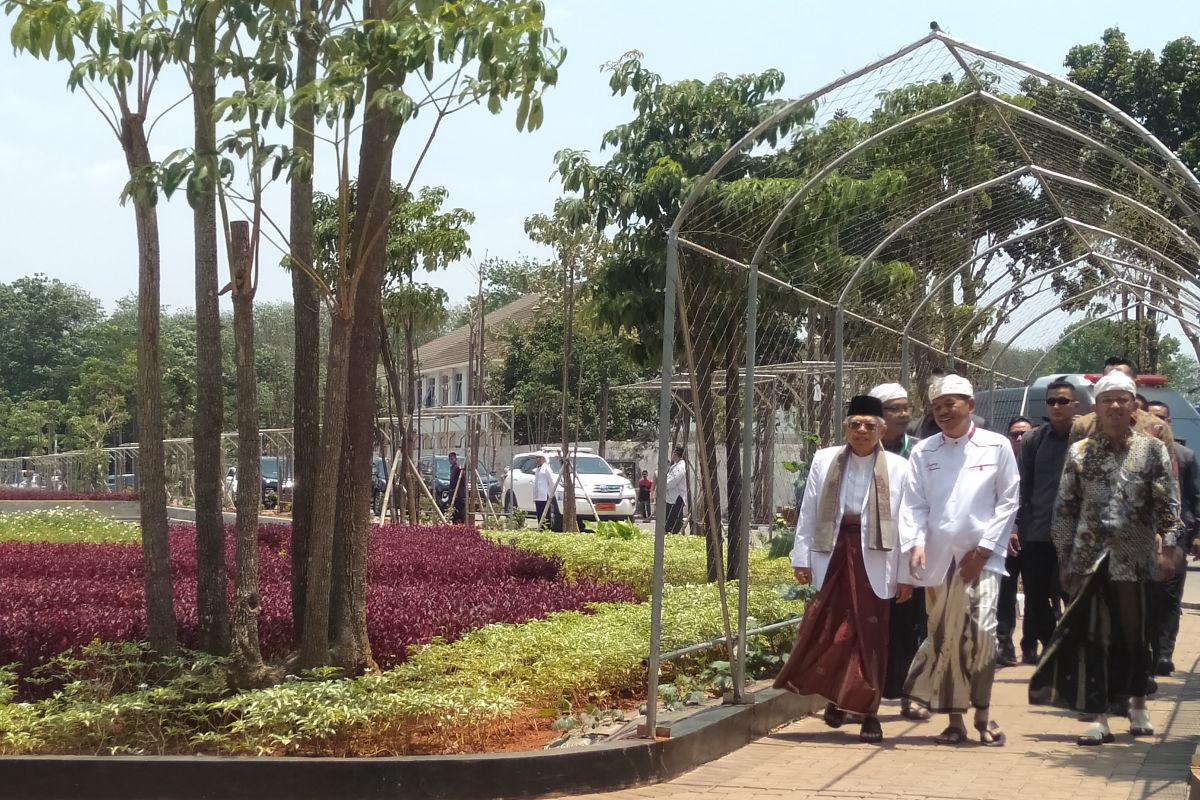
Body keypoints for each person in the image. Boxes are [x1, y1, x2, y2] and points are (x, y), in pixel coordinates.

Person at [1030, 371, 1180, 745]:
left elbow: (1168, 505)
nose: (1115, 405)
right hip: (1089, 559)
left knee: (1134, 634)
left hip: (1136, 556)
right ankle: (1097, 716)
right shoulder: (1080, 452)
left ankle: (1139, 704)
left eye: (1122, 399)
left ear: (1133, 406)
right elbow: (1065, 508)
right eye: (1107, 399)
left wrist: (1170, 548)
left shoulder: (1152, 449)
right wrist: (1065, 559)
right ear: (1095, 407)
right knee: (1094, 637)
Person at [774, 395, 913, 744]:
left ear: (881, 430)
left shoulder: (898, 467)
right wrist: (801, 557)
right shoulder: (825, 460)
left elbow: (908, 523)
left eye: (869, 425)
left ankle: (869, 712)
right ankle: (839, 697)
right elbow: (809, 509)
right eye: (855, 424)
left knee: (870, 637)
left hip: (877, 560)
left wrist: (907, 575)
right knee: (832, 632)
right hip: (832, 552)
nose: (862, 431)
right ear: (845, 428)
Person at [898, 375, 1020, 747]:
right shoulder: (924, 452)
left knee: (982, 635)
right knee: (945, 638)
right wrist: (916, 543)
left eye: (952, 403)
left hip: (982, 559)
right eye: (938, 407)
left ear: (971, 405)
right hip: (937, 559)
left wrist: (982, 551)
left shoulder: (996, 446)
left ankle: (982, 714)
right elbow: (914, 504)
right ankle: (955, 721)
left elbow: (1008, 501)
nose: (945, 412)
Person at [869, 382, 928, 721]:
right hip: (869, 556)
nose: (903, 414)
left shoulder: (919, 452)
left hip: (910, 554)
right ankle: (864, 693)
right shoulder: (858, 447)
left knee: (911, 626)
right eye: (894, 408)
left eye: (906, 407)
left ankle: (910, 693)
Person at [1012, 379, 1078, 665]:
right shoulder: (1033, 440)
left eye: (1063, 401)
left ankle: (1073, 650)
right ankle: (1053, 646)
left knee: (1074, 596)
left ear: (1075, 405)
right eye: (1051, 401)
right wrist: (1015, 526)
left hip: (1078, 535)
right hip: (1038, 531)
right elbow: (1022, 486)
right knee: (1037, 597)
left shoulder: (1086, 438)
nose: (1056, 406)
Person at [1145, 400, 1199, 676]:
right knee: (1144, 598)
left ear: (1170, 421)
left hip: (1175, 537)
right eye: (1150, 418)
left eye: (1161, 418)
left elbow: (1194, 497)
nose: (1156, 423)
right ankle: (1148, 652)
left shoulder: (1185, 456)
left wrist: (1197, 535)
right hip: (1140, 539)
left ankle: (1164, 652)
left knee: (1168, 597)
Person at [995, 416, 1034, 667]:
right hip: (1006, 538)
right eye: (1014, 434)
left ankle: (1030, 646)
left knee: (1036, 594)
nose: (1019, 439)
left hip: (1036, 538)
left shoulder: (1039, 460)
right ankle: (1005, 645)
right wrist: (1010, 529)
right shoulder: (1000, 461)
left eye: (1024, 434)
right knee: (1005, 595)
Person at [1071, 357, 1174, 449]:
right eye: (1109, 377)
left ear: (1136, 384)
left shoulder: (1157, 427)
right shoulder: (1082, 426)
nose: (1115, 383)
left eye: (1122, 378)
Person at [665, 445, 689, 534]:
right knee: (669, 518)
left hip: (677, 497)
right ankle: (670, 533)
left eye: (673, 453)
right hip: (670, 497)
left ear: (676, 454)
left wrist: (663, 485)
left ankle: (676, 534)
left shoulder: (681, 467)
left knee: (675, 519)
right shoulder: (674, 466)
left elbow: (672, 481)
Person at [533, 454, 556, 528]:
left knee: (546, 514)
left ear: (544, 458)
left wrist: (552, 493)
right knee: (539, 513)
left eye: (540, 457)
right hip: (538, 495)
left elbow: (552, 481)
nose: (538, 459)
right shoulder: (538, 469)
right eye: (536, 457)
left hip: (545, 495)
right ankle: (540, 528)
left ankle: (547, 528)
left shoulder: (546, 468)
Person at [447, 451, 467, 524]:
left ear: (456, 459)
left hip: (458, 493)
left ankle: (461, 522)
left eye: (452, 459)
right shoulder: (452, 468)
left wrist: (458, 492)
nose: (451, 460)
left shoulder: (458, 468)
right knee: (453, 507)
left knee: (459, 508)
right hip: (453, 491)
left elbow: (462, 481)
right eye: (450, 459)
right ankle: (454, 522)